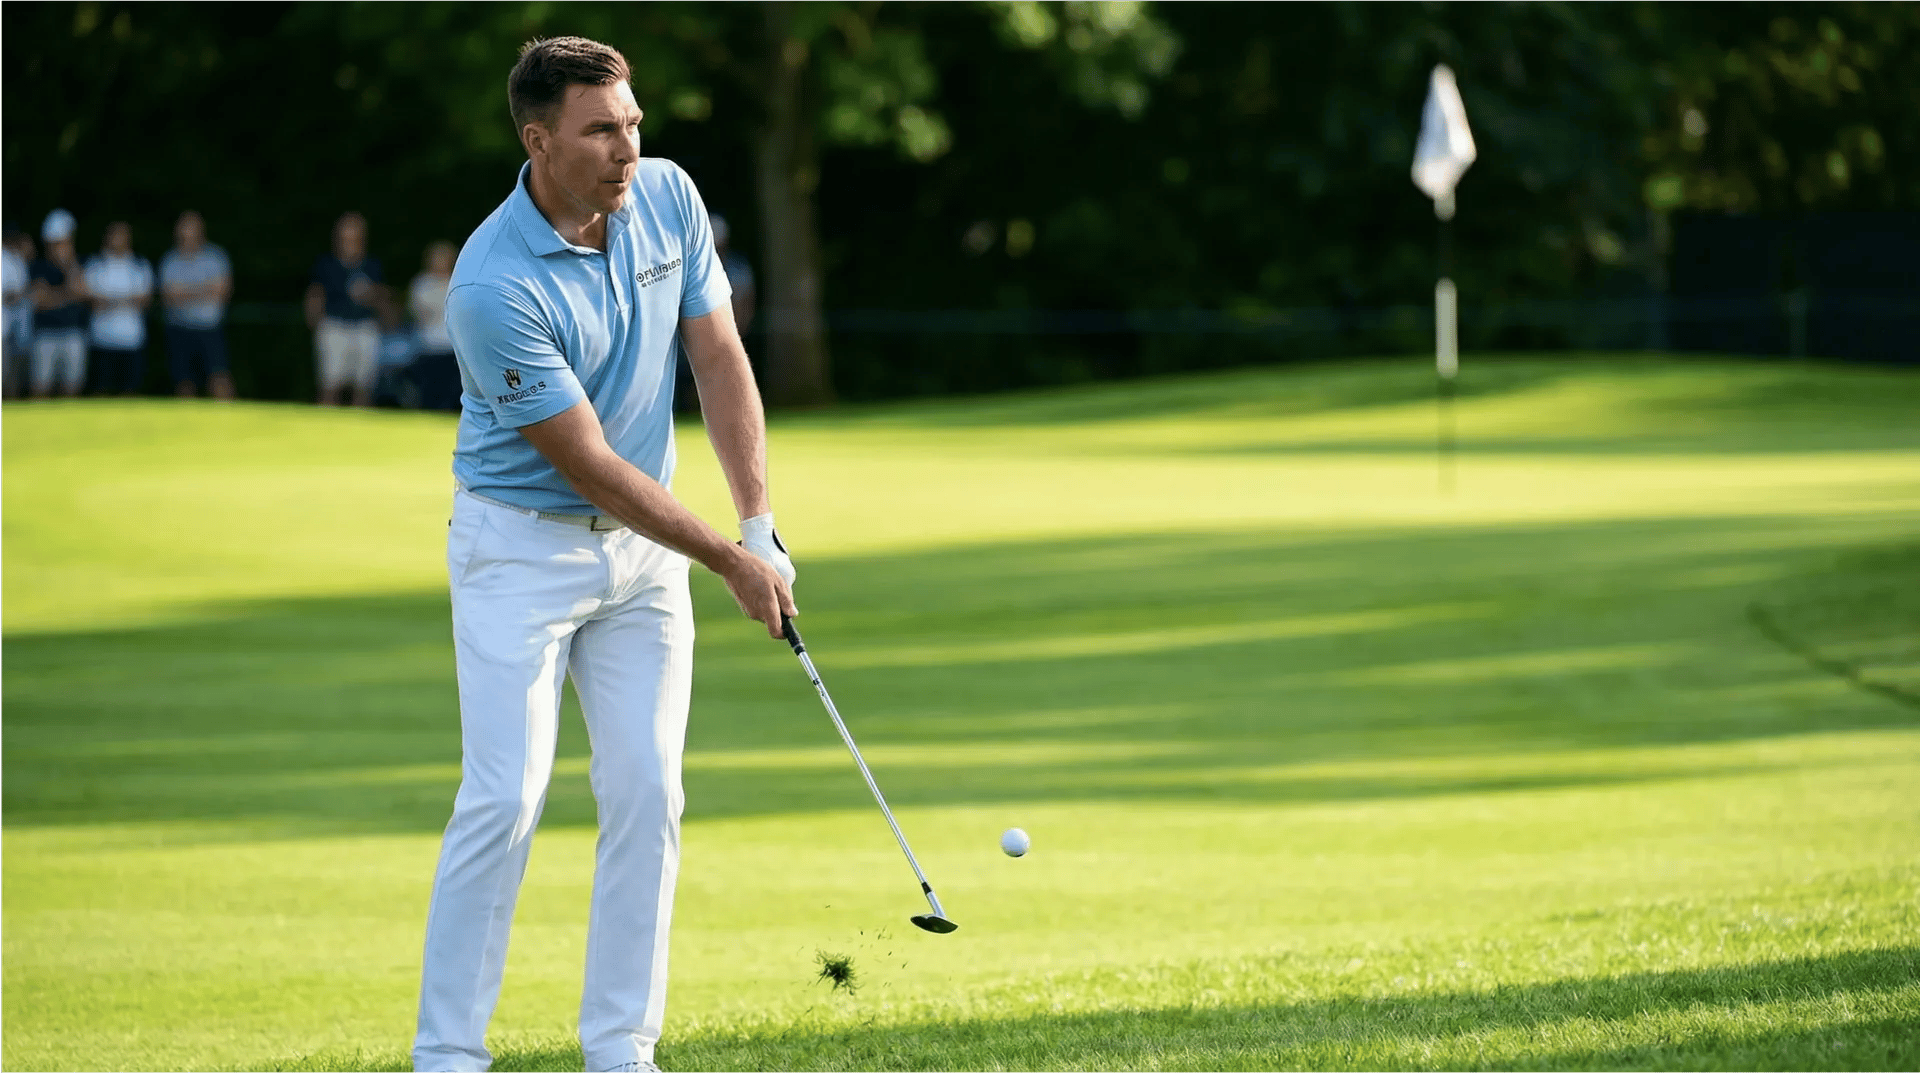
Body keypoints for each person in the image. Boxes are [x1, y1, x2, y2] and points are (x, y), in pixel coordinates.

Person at [412, 36, 796, 1073]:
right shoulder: (491, 287)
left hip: (643, 565)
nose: (628, 146)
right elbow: (587, 462)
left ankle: (622, 1047)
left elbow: (717, 353)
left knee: (648, 790)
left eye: (632, 123)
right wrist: (726, 555)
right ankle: (448, 1051)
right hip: (519, 555)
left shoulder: (669, 195)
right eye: (601, 129)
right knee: (506, 791)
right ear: (539, 142)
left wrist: (756, 520)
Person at [305, 211, 384, 406]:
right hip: (333, 326)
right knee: (330, 383)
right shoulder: (326, 264)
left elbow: (383, 298)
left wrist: (371, 296)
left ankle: (359, 430)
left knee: (364, 385)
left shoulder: (372, 265)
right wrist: (315, 323)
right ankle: (324, 429)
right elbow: (315, 294)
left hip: (365, 327)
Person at [160, 210, 235, 399]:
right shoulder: (170, 260)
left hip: (210, 329)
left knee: (219, 378)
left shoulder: (216, 256)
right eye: (184, 227)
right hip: (179, 328)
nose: (187, 232)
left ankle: (229, 420)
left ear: (201, 230)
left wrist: (184, 292)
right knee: (183, 382)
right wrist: (206, 289)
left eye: (192, 227)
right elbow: (169, 296)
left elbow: (223, 291)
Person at [84, 221, 154, 396]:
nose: (118, 239)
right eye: (114, 234)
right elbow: (90, 300)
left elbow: (145, 300)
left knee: (131, 391)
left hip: (132, 339)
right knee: (101, 390)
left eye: (122, 235)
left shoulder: (139, 264)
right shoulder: (95, 264)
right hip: (102, 339)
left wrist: (110, 299)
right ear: (107, 237)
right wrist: (127, 300)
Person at [28, 209, 89, 398]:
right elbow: (40, 301)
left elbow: (82, 292)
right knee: (40, 387)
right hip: (45, 334)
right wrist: (68, 295)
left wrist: (68, 265)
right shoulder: (38, 266)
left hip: (73, 333)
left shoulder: (79, 263)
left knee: (72, 387)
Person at [408, 240, 461, 411]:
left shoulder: (458, 282)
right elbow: (419, 314)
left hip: (452, 347)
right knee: (430, 391)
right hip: (428, 345)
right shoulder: (421, 284)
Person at [2, 223, 32, 397]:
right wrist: (26, 294)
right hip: (4, 327)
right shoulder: (4, 258)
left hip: (19, 328)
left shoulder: (18, 259)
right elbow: (7, 295)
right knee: (4, 372)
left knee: (15, 374)